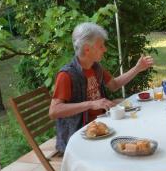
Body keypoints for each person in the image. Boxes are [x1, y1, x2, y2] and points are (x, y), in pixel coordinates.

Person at [49, 22, 154, 153]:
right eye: (101, 46)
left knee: (142, 124)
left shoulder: (95, 67)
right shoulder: (67, 75)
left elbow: (114, 85)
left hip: (104, 125)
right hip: (83, 134)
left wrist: (137, 68)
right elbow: (54, 111)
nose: (105, 49)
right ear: (87, 49)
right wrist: (91, 104)